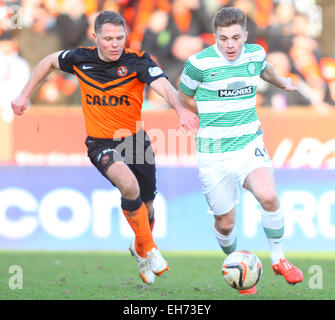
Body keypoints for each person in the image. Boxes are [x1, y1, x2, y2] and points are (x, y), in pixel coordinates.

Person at [11, 10, 199, 285]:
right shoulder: (80, 58)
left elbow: (165, 87)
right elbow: (50, 61)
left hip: (135, 141)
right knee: (129, 185)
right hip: (101, 142)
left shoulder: (137, 61)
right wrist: (24, 94)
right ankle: (150, 249)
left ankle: (140, 247)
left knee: (148, 207)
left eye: (120, 38)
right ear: (95, 37)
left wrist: (180, 111)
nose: (115, 44)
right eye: (108, 38)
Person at [178, 7, 303, 295]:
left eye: (236, 38)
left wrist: (281, 81)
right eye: (223, 39)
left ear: (245, 36)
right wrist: (201, 114)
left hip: (249, 144)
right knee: (225, 223)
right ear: (215, 37)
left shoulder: (255, 54)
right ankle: (236, 265)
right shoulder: (198, 64)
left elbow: (265, 69)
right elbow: (183, 95)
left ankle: (279, 260)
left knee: (269, 196)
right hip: (213, 153)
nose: (230, 45)